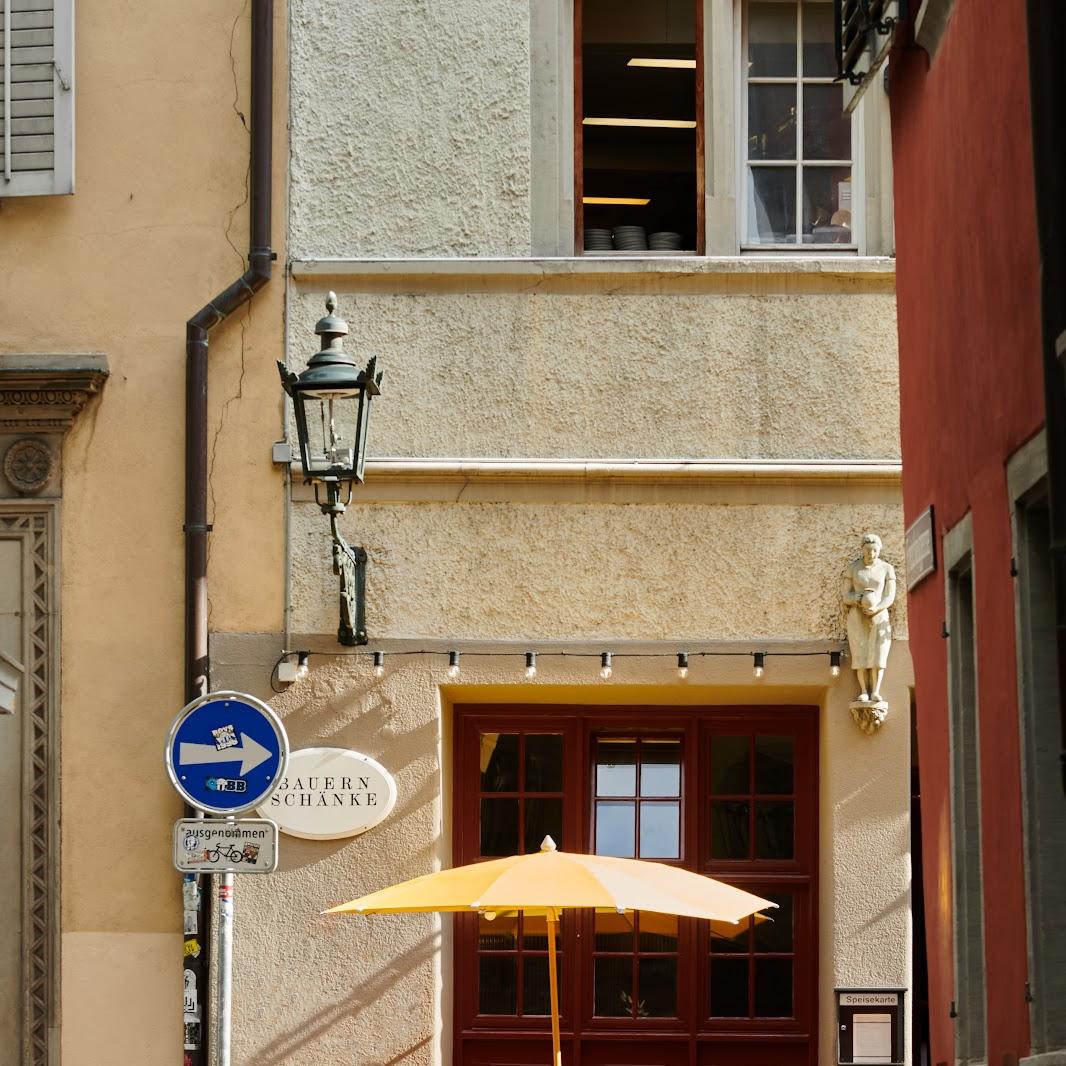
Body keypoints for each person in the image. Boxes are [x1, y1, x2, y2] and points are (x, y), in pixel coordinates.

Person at [841, 533, 896, 702]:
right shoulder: (853, 568)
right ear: (862, 550)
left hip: (879, 614)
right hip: (857, 615)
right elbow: (845, 595)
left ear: (879, 550)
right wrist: (856, 599)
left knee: (878, 652)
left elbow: (890, 596)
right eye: (867, 550)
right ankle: (864, 690)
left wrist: (877, 608)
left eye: (874, 550)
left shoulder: (887, 568)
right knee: (860, 652)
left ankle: (876, 691)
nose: (871, 554)